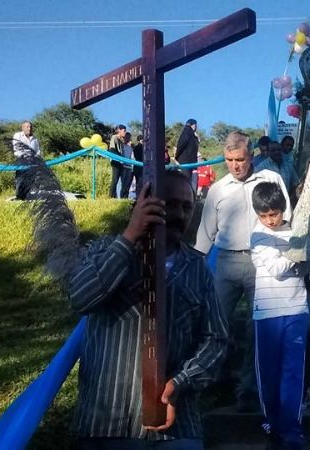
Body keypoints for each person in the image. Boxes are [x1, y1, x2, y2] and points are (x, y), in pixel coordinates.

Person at [69, 172, 227, 450]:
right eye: (170, 204)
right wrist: (130, 236)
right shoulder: (103, 250)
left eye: (186, 206)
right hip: (109, 424)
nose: (179, 214)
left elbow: (216, 340)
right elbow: (81, 298)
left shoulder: (197, 268)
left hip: (176, 426)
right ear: (143, 203)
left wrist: (181, 383)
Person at [194, 131, 291, 412]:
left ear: (252, 156)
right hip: (226, 261)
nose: (235, 165)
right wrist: (195, 264)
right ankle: (216, 382)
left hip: (262, 261)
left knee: (255, 327)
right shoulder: (218, 188)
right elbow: (205, 232)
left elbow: (287, 217)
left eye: (241, 159)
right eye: (229, 160)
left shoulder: (270, 180)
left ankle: (248, 389)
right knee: (216, 325)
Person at [250, 182, 310, 450]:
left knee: (293, 373)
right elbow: (276, 267)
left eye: (273, 214)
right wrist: (301, 251)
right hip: (267, 313)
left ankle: (291, 429)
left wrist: (302, 254)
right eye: (263, 215)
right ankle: (271, 421)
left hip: (297, 309)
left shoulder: (297, 230)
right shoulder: (257, 235)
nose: (269, 220)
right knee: (269, 373)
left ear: (283, 210)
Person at [12, 120, 42, 200]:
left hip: (33, 162)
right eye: (27, 127)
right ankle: (19, 197)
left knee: (32, 179)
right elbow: (17, 149)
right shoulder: (18, 136)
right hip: (22, 160)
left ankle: (28, 196)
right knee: (21, 179)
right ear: (23, 128)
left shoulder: (34, 138)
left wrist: (36, 157)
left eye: (30, 127)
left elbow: (38, 151)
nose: (29, 129)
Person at [175, 119, 200, 189]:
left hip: (187, 160)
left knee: (188, 180)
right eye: (196, 125)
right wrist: (177, 156)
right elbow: (181, 144)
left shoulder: (190, 134)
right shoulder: (187, 133)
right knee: (187, 180)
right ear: (193, 125)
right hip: (187, 160)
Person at [109, 125, 128, 199]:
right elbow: (112, 150)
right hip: (115, 161)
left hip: (121, 162)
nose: (125, 132)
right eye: (124, 131)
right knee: (115, 179)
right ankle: (111, 196)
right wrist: (119, 158)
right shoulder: (114, 137)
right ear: (119, 130)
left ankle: (120, 196)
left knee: (121, 180)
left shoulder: (121, 140)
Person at [120, 133, 134, 198]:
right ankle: (122, 198)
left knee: (128, 184)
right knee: (123, 184)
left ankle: (126, 198)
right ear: (124, 138)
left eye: (129, 137)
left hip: (129, 167)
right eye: (127, 137)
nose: (128, 139)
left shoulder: (130, 148)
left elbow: (132, 157)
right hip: (123, 167)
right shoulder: (121, 146)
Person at [131, 134, 144, 198]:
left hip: (140, 167)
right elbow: (138, 157)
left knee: (140, 183)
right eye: (142, 139)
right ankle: (138, 196)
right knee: (139, 182)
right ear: (139, 140)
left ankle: (139, 196)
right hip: (139, 167)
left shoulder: (143, 147)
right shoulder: (137, 148)